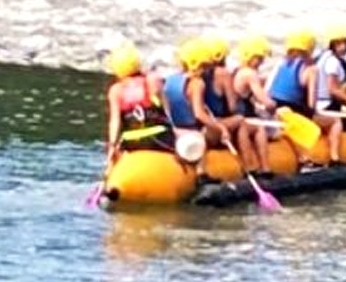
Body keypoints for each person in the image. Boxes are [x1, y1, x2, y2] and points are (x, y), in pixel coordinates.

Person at [162, 37, 258, 176]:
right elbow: (199, 114)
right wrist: (221, 128)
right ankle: (250, 167)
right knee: (240, 121)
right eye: (204, 66)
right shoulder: (197, 83)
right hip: (197, 133)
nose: (205, 70)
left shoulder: (169, 80)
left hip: (177, 132)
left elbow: (168, 110)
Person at [266, 30, 335, 169]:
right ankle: (335, 158)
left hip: (275, 112)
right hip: (294, 113)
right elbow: (311, 105)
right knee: (335, 122)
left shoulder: (281, 64)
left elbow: (269, 90)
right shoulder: (311, 69)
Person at [104, 43, 172, 164]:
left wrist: (112, 146)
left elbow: (115, 122)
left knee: (114, 157)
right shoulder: (153, 80)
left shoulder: (115, 90)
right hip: (159, 139)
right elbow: (168, 111)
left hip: (131, 142)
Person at [311, 25, 346, 165]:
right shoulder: (333, 62)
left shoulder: (322, 57)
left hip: (320, 104)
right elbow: (333, 89)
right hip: (327, 106)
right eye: (338, 44)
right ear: (331, 45)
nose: (343, 47)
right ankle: (336, 157)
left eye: (345, 43)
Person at [230, 35, 277, 175]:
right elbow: (264, 100)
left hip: (239, 114)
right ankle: (265, 167)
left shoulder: (237, 70)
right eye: (259, 58)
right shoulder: (250, 74)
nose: (261, 63)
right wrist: (274, 106)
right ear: (250, 57)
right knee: (261, 129)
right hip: (244, 116)